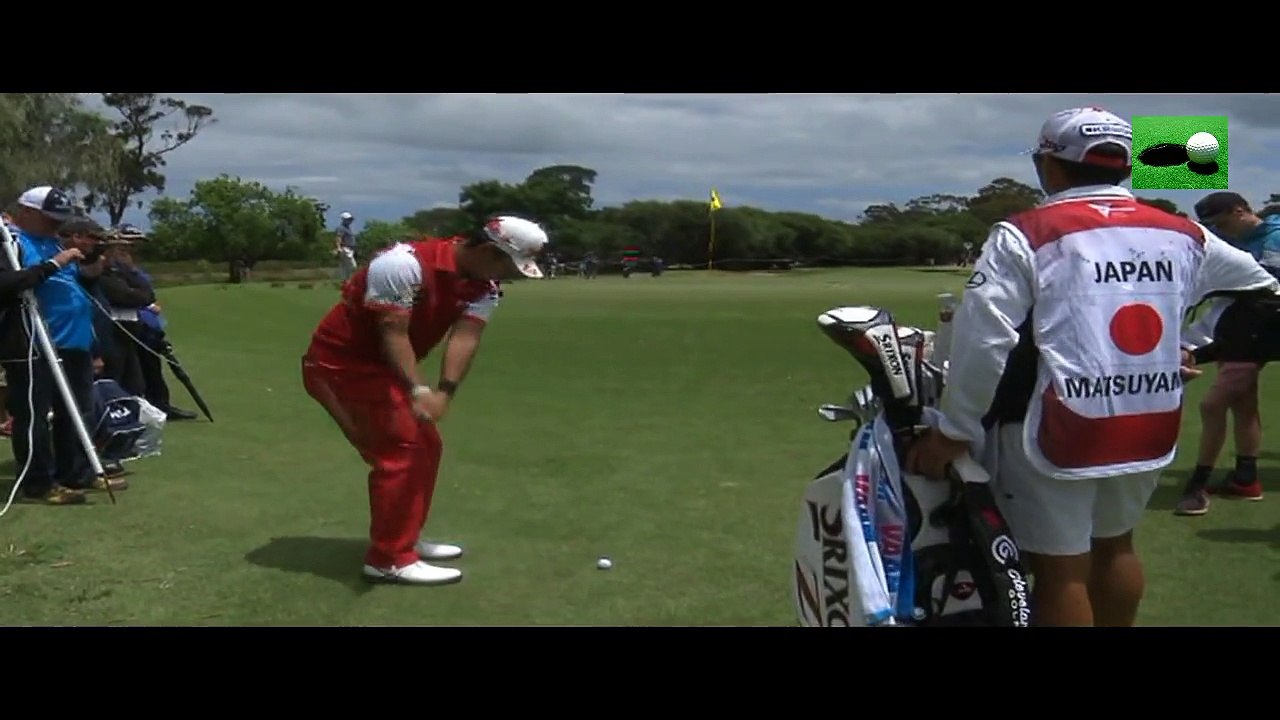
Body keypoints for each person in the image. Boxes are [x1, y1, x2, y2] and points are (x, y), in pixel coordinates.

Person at [904, 107, 1280, 627]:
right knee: (1116, 547)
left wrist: (955, 431)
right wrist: (1189, 345)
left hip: (1057, 423)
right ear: (1126, 166)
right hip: (1151, 416)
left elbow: (984, 340)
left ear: (1048, 165)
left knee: (1060, 572)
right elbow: (1262, 286)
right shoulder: (1185, 233)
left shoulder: (1025, 231)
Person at [301, 215, 548, 585]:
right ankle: (388, 559)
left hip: (382, 370)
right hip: (340, 366)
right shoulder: (402, 265)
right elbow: (392, 330)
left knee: (426, 446)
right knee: (402, 449)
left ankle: (404, 539)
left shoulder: (484, 285)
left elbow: (466, 336)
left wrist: (445, 391)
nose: (510, 275)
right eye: (508, 266)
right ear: (486, 250)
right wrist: (418, 390)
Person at [5, 188, 123, 502]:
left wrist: (90, 267)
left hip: (74, 342)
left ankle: (76, 473)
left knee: (77, 412)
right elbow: (9, 284)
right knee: (34, 416)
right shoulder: (12, 242)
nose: (56, 225)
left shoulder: (54, 243)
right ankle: (38, 483)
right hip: (35, 342)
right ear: (27, 212)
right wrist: (55, 264)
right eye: (49, 218)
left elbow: (71, 284)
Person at [1173, 192, 1280, 515]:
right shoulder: (1234, 243)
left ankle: (1199, 483)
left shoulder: (1274, 238)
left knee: (1213, 404)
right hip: (1246, 329)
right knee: (1242, 401)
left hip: (1263, 327)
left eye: (1221, 223)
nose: (1219, 231)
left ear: (1239, 211)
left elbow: (1268, 290)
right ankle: (1246, 480)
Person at [334, 211, 358, 281]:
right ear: (343, 220)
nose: (350, 221)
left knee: (346, 267)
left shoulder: (348, 228)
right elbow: (338, 238)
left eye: (350, 219)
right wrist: (338, 248)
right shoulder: (341, 228)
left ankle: (346, 281)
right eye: (348, 219)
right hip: (346, 249)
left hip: (350, 249)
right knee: (352, 266)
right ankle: (347, 281)